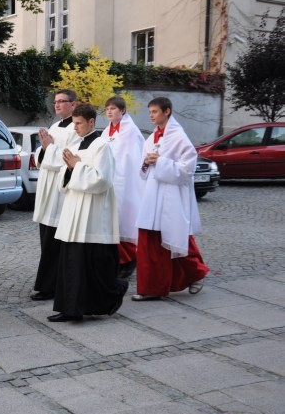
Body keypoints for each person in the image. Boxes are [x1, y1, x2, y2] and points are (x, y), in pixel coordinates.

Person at [49, 103, 128, 322]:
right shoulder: (77, 144)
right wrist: (69, 168)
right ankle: (69, 308)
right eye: (73, 123)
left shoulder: (101, 145)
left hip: (92, 214)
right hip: (74, 211)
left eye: (78, 123)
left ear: (91, 122)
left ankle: (108, 295)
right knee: (71, 262)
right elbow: (65, 178)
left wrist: (77, 167)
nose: (74, 128)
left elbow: (103, 180)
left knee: (89, 264)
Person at [132, 97, 209, 301]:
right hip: (152, 195)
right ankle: (151, 287)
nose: (151, 115)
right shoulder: (152, 138)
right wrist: (147, 163)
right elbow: (143, 166)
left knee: (176, 237)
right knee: (150, 239)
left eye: (155, 111)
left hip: (171, 195)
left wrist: (161, 161)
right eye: (150, 112)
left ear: (167, 112)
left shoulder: (179, 137)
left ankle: (196, 273)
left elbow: (187, 168)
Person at [30, 89, 81, 301]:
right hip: (46, 189)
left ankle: (49, 285)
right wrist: (43, 149)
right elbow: (41, 158)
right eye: (55, 101)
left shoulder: (75, 129)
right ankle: (50, 282)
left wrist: (48, 148)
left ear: (74, 104)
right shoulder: (53, 126)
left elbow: (66, 159)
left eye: (62, 101)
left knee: (55, 240)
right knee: (46, 238)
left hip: (60, 192)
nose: (57, 105)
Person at [101, 96, 145, 279]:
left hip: (126, 183)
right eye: (107, 109)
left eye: (113, 108)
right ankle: (116, 260)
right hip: (110, 182)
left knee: (125, 222)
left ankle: (129, 259)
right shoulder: (106, 132)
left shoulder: (131, 132)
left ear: (123, 111)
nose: (110, 112)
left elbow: (134, 158)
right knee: (111, 223)